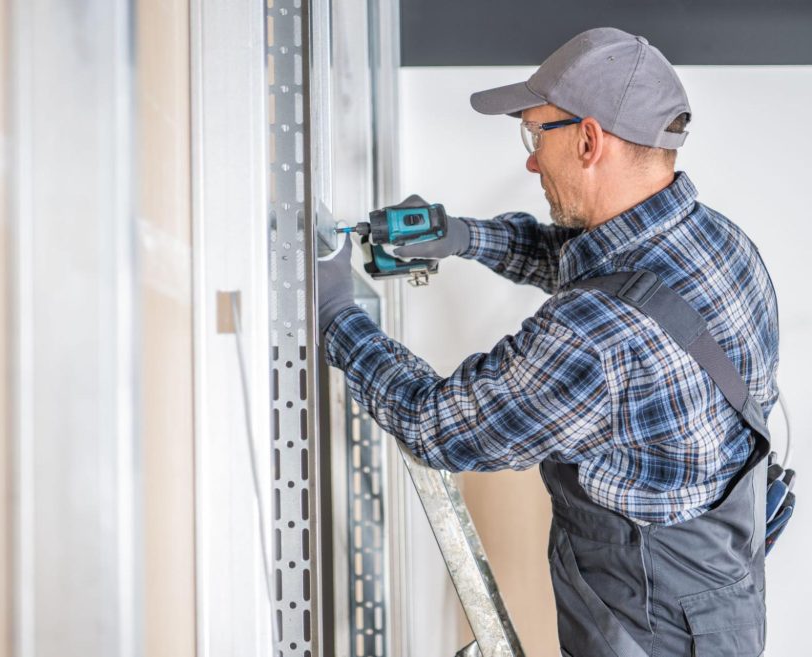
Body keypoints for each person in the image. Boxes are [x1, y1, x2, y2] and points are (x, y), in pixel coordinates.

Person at [317, 27, 778, 656]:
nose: (531, 159)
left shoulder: (598, 339)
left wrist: (336, 313)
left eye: (537, 135)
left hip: (652, 632)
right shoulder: (718, 243)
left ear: (588, 140)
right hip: (725, 603)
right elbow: (597, 266)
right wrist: (461, 237)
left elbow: (438, 425)